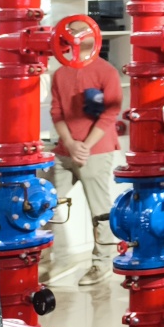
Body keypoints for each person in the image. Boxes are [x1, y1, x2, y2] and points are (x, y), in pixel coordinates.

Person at [46, 19, 123, 286]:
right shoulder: (60, 73)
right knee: (45, 204)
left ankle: (102, 264)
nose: (77, 36)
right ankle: (57, 261)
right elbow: (56, 112)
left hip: (97, 151)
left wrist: (85, 146)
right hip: (64, 151)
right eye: (73, 32)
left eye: (82, 31)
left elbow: (110, 114)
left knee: (99, 212)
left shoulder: (107, 72)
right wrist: (70, 143)